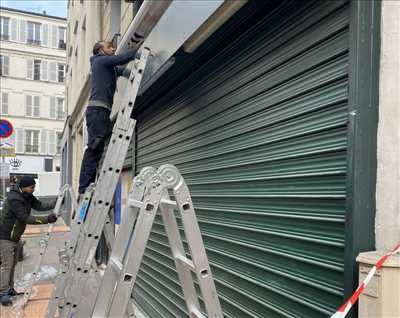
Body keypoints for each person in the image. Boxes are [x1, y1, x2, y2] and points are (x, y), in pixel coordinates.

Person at [78, 41, 137, 195]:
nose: (113, 48)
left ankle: (88, 185)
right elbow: (120, 59)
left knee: (97, 149)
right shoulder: (99, 61)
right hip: (97, 110)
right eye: (109, 47)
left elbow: (120, 70)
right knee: (94, 147)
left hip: (100, 111)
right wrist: (139, 52)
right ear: (100, 51)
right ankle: (84, 187)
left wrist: (131, 73)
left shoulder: (106, 67)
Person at [0, 176, 58, 306]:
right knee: (6, 266)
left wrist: (58, 201)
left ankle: (9, 289)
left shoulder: (27, 196)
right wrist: (46, 219)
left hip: (14, 237)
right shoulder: (14, 199)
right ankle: (3, 293)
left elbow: (40, 205)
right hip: (5, 237)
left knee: (12, 265)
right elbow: (25, 218)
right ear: (24, 187)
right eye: (31, 187)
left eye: (34, 187)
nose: (33, 189)